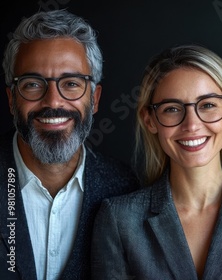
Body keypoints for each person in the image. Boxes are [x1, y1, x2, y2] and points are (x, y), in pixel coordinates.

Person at [91, 45, 222, 279]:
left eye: (208, 105)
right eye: (172, 109)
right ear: (150, 120)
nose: (192, 125)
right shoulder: (119, 219)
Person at [0, 9, 139, 280]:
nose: (53, 101)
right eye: (32, 84)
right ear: (11, 99)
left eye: (71, 83)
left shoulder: (127, 191)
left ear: (95, 98)